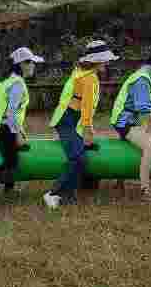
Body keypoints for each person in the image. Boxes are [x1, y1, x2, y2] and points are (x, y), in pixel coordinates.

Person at [44, 39, 118, 209]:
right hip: (69, 119)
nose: (107, 63)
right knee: (78, 158)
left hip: (67, 118)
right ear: (96, 61)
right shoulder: (90, 79)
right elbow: (86, 108)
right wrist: (88, 130)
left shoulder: (79, 72)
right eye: (105, 60)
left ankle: (69, 196)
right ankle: (53, 193)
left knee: (80, 156)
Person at [0, 47, 43, 207]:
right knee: (11, 161)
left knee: (12, 156)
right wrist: (17, 132)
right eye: (31, 63)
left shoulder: (5, 82)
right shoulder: (17, 84)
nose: (33, 66)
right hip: (7, 127)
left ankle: (8, 188)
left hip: (0, 126)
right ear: (22, 64)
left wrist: (20, 129)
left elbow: (3, 109)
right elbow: (11, 112)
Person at [110, 46, 151, 202]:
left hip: (136, 119)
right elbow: (146, 111)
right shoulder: (142, 79)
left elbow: (149, 108)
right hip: (125, 122)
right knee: (150, 147)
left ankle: (119, 182)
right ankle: (145, 189)